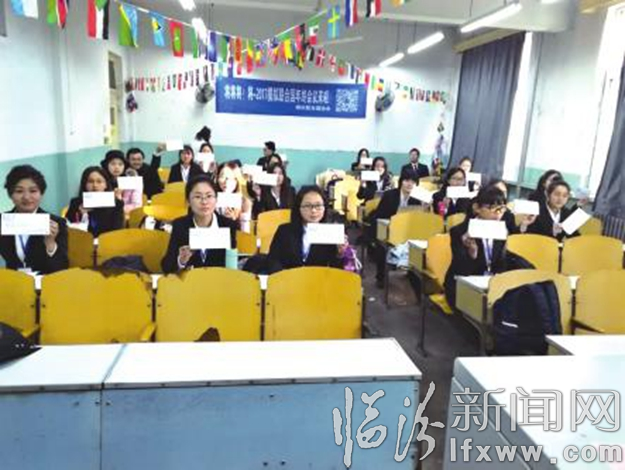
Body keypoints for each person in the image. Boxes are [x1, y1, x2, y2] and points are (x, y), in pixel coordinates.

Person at [444, 186, 510, 309]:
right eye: (491, 208)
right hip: (462, 286)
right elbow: (460, 270)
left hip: (490, 286)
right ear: (477, 208)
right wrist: (472, 253)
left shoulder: (501, 230)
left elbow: (501, 265)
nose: (497, 213)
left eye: (501, 209)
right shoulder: (460, 231)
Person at [161, 175, 238, 273]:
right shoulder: (180, 225)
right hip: (190, 281)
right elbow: (166, 267)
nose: (204, 202)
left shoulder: (228, 225)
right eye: (198, 197)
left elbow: (232, 265)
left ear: (216, 199)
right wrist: (181, 261)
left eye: (209, 196)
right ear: (188, 201)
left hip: (219, 280)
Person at [0, 165, 68, 274]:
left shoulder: (57, 223)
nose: (26, 197)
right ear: (10, 194)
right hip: (14, 281)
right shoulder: (3, 221)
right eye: (19, 191)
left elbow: (61, 268)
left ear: (41, 193)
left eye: (33, 191)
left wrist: (50, 243)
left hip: (45, 281)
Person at [268, 186, 348, 271]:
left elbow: (335, 270)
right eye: (307, 206)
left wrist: (340, 254)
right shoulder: (284, 231)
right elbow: (272, 261)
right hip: (289, 278)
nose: (313, 210)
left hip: (317, 278)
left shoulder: (330, 233)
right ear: (299, 208)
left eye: (318, 205)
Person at [369, 169, 421, 287]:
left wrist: (425, 207)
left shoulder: (417, 199)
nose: (410, 184)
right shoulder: (390, 195)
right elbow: (379, 215)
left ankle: (412, 275)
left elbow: (417, 220)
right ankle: (381, 277)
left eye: (413, 182)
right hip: (388, 229)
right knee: (382, 245)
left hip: (408, 231)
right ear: (401, 181)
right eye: (407, 180)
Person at [66, 167, 124, 237]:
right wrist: (81, 214)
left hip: (107, 241)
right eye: (90, 181)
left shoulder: (116, 203)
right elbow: (69, 227)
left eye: (99, 181)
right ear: (85, 184)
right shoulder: (76, 203)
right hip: (83, 241)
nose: (95, 185)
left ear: (106, 184)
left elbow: (117, 230)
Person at [101, 150, 142, 215]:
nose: (117, 167)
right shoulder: (101, 181)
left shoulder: (132, 180)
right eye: (113, 164)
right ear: (107, 165)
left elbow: (137, 205)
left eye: (120, 164)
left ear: (124, 166)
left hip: (127, 216)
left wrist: (118, 209)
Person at [216, 163, 253, 232]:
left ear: (237, 181)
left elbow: (245, 231)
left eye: (230, 178)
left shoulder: (244, 202)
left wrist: (233, 220)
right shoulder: (212, 199)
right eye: (222, 176)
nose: (226, 181)